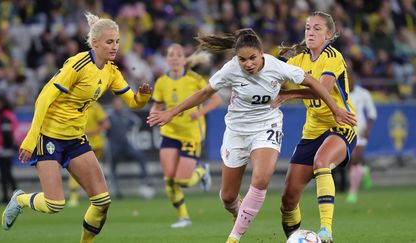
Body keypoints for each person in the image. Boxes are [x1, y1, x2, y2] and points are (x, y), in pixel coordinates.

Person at [147, 28, 356, 243]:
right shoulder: (230, 69)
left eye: (253, 58)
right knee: (228, 196)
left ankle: (233, 238)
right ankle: (240, 213)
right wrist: (171, 112)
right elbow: (204, 93)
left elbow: (313, 83)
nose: (248, 64)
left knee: (262, 178)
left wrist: (336, 110)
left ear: (262, 53)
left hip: (267, 125)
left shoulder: (277, 66)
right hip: (237, 131)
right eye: (242, 59)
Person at [1, 12, 152, 243]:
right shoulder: (78, 64)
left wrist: (142, 97)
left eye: (117, 41)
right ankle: (20, 199)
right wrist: (32, 137)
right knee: (54, 204)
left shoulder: (111, 71)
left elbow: (133, 102)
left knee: (102, 201)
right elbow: (43, 98)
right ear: (95, 43)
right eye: (109, 42)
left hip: (75, 139)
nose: (115, 47)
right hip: (49, 136)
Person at [275, 11, 358, 243]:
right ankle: (294, 239)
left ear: (328, 35)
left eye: (317, 29)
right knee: (288, 199)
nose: (310, 32)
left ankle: (326, 231)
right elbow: (274, 76)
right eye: (307, 28)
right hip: (311, 132)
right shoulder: (298, 60)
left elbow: (321, 89)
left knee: (322, 162)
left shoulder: (333, 57)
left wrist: (288, 94)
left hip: (340, 125)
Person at [149, 43, 222, 228]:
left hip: (191, 134)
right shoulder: (161, 82)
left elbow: (216, 99)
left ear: (184, 59)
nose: (174, 58)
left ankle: (202, 170)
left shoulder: (195, 79)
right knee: (169, 180)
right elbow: (156, 106)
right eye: (171, 55)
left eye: (178, 55)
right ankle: (184, 217)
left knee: (183, 181)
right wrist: (154, 114)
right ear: (166, 59)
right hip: (169, 132)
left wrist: (200, 113)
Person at [107, 96, 155, 199]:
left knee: (140, 157)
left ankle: (145, 180)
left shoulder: (126, 114)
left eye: (120, 103)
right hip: (114, 145)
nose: (118, 105)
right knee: (112, 166)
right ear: (113, 104)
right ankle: (115, 189)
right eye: (116, 103)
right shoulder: (109, 115)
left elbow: (137, 122)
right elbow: (103, 126)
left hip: (125, 144)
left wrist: (131, 133)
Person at [67, 102, 110, 207]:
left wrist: (91, 132)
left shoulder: (94, 106)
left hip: (93, 144)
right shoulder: (73, 104)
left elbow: (106, 124)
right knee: (84, 170)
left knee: (80, 170)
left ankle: (78, 197)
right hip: (81, 144)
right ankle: (95, 196)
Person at [346, 70, 376, 203]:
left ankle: (353, 192)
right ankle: (364, 171)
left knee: (354, 160)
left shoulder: (364, 93)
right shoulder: (340, 93)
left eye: (352, 78)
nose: (350, 81)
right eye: (347, 79)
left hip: (360, 130)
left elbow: (372, 113)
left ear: (355, 79)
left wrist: (368, 129)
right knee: (350, 161)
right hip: (345, 130)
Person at [0, 95, 18, 204]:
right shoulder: (6, 115)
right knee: (7, 175)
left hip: (4, 151)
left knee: (5, 175)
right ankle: (14, 196)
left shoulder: (4, 117)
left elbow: (7, 135)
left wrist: (2, 149)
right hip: (5, 150)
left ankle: (8, 197)